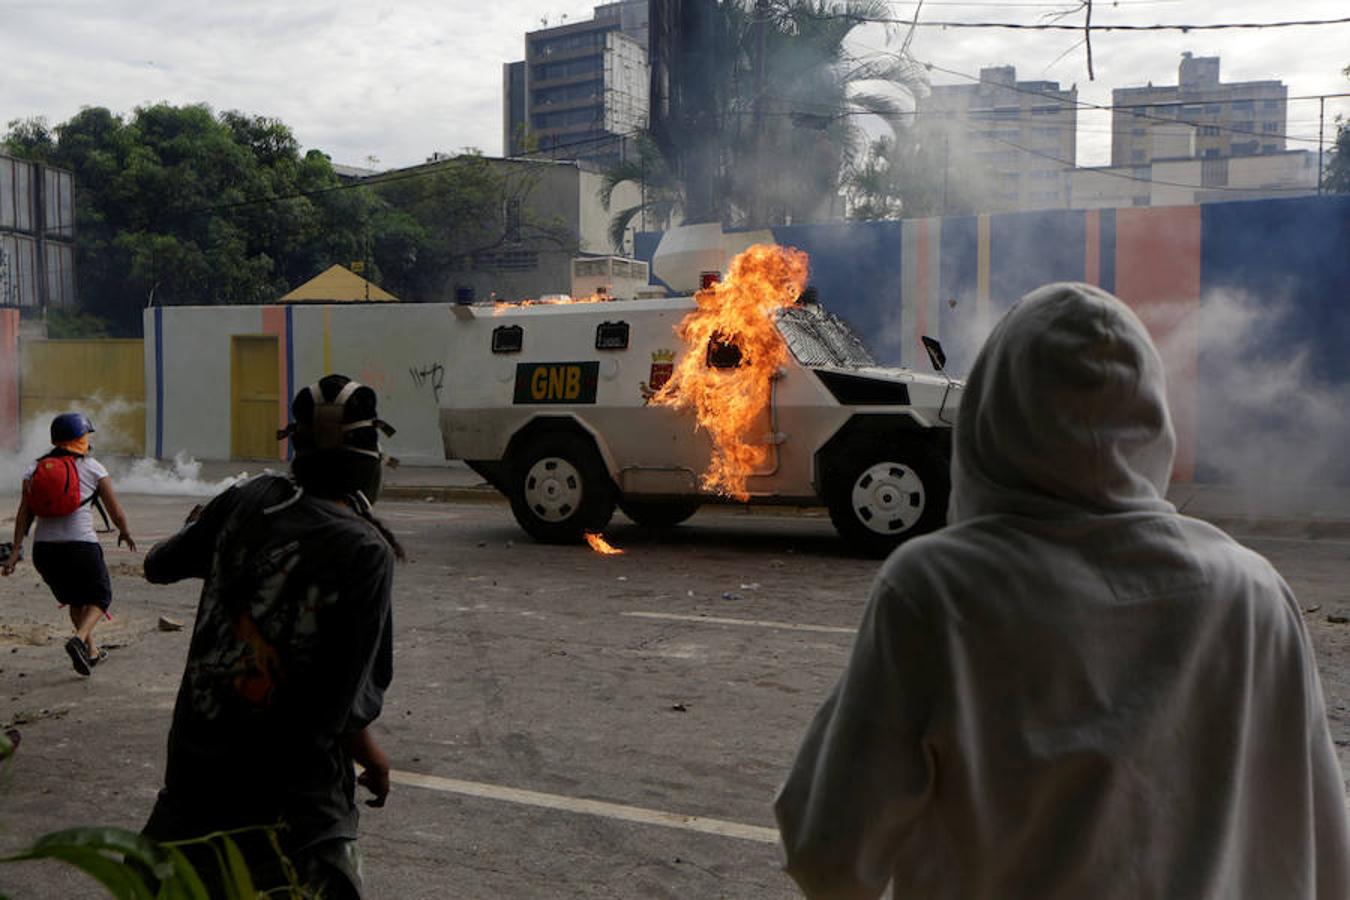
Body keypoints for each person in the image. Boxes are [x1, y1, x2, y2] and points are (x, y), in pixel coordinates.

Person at [774, 283, 1349, 899]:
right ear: (1150, 415)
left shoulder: (938, 590)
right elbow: (1320, 850)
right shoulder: (1252, 592)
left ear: (991, 413)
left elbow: (827, 853)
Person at [140, 375, 401, 898]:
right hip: (294, 807)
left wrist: (212, 527)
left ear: (296, 445)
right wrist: (372, 755)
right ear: (369, 457)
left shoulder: (247, 499)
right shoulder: (364, 549)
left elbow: (158, 564)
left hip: (195, 774)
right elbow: (337, 700)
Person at [3, 412, 135, 676]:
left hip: (45, 551)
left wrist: (16, 550)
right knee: (100, 597)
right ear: (79, 438)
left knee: (76, 601)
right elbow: (116, 510)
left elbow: (23, 514)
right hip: (81, 547)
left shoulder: (35, 468)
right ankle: (79, 639)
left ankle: (91, 651)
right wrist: (125, 531)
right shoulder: (93, 467)